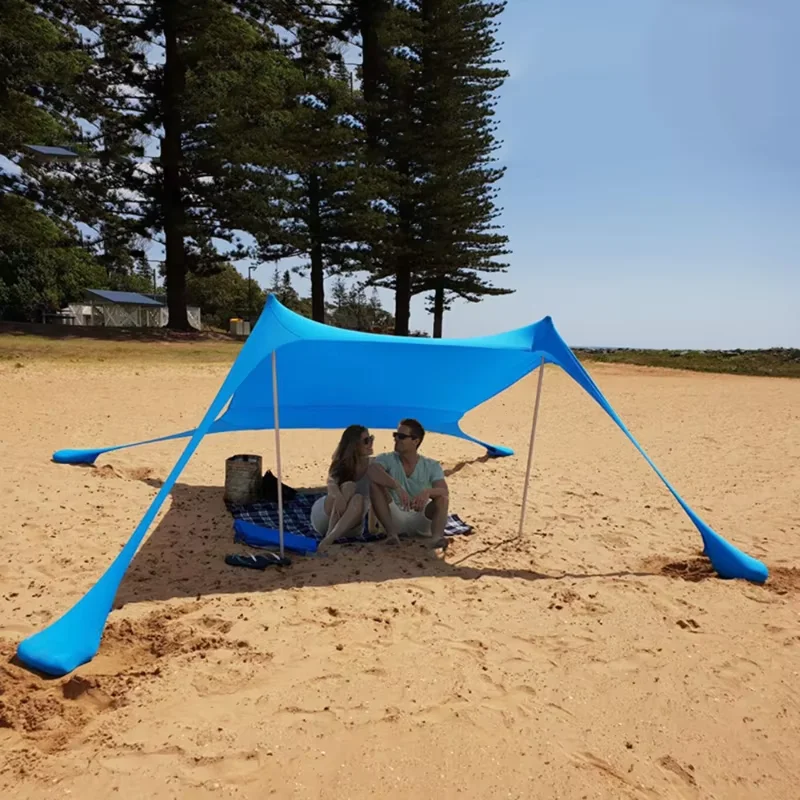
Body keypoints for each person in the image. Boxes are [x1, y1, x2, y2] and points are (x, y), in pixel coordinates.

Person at [368, 418, 449, 546]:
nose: (396, 439)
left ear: (415, 441)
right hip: (395, 516)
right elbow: (372, 470)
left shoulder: (431, 465)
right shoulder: (387, 458)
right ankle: (392, 535)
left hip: (420, 517)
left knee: (442, 498)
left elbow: (444, 491)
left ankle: (437, 538)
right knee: (374, 485)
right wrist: (396, 486)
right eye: (395, 435)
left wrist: (427, 492)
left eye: (401, 436)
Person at [311, 425, 375, 550]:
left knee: (358, 498)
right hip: (326, 516)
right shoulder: (342, 464)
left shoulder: (375, 465)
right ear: (354, 445)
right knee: (348, 486)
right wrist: (339, 496)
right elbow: (331, 483)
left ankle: (330, 537)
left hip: (350, 523)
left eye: (371, 438)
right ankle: (330, 534)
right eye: (366, 441)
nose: (371, 443)